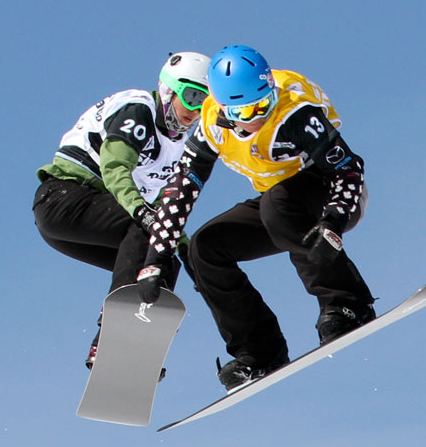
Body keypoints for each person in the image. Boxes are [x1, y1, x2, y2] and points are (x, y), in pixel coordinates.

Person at [140, 45, 374, 389]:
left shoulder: (294, 113)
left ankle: (347, 304)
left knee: (278, 207)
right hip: (280, 200)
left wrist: (333, 223)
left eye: (262, 105)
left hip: (330, 192)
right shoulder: (212, 124)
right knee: (204, 248)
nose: (255, 117)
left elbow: (349, 169)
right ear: (223, 108)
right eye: (244, 111)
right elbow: (182, 190)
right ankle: (260, 352)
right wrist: (155, 259)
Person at [33, 53, 210, 366]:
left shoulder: (177, 148)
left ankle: (136, 349)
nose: (196, 112)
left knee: (163, 259)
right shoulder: (139, 109)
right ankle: (118, 331)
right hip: (64, 197)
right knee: (150, 230)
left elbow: (164, 211)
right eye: (193, 97)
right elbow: (115, 168)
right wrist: (144, 215)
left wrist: (192, 254)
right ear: (169, 91)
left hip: (84, 219)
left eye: (207, 105)